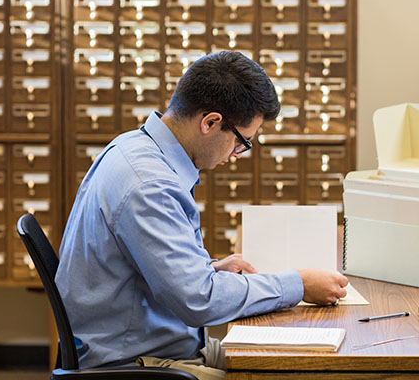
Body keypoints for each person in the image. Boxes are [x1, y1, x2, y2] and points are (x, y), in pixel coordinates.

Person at [55, 50, 349, 380]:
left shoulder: (135, 148)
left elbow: (146, 265)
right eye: (242, 143)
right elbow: (200, 302)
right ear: (210, 122)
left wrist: (206, 268)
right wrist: (299, 283)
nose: (237, 155)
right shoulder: (150, 185)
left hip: (150, 346)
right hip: (135, 364)